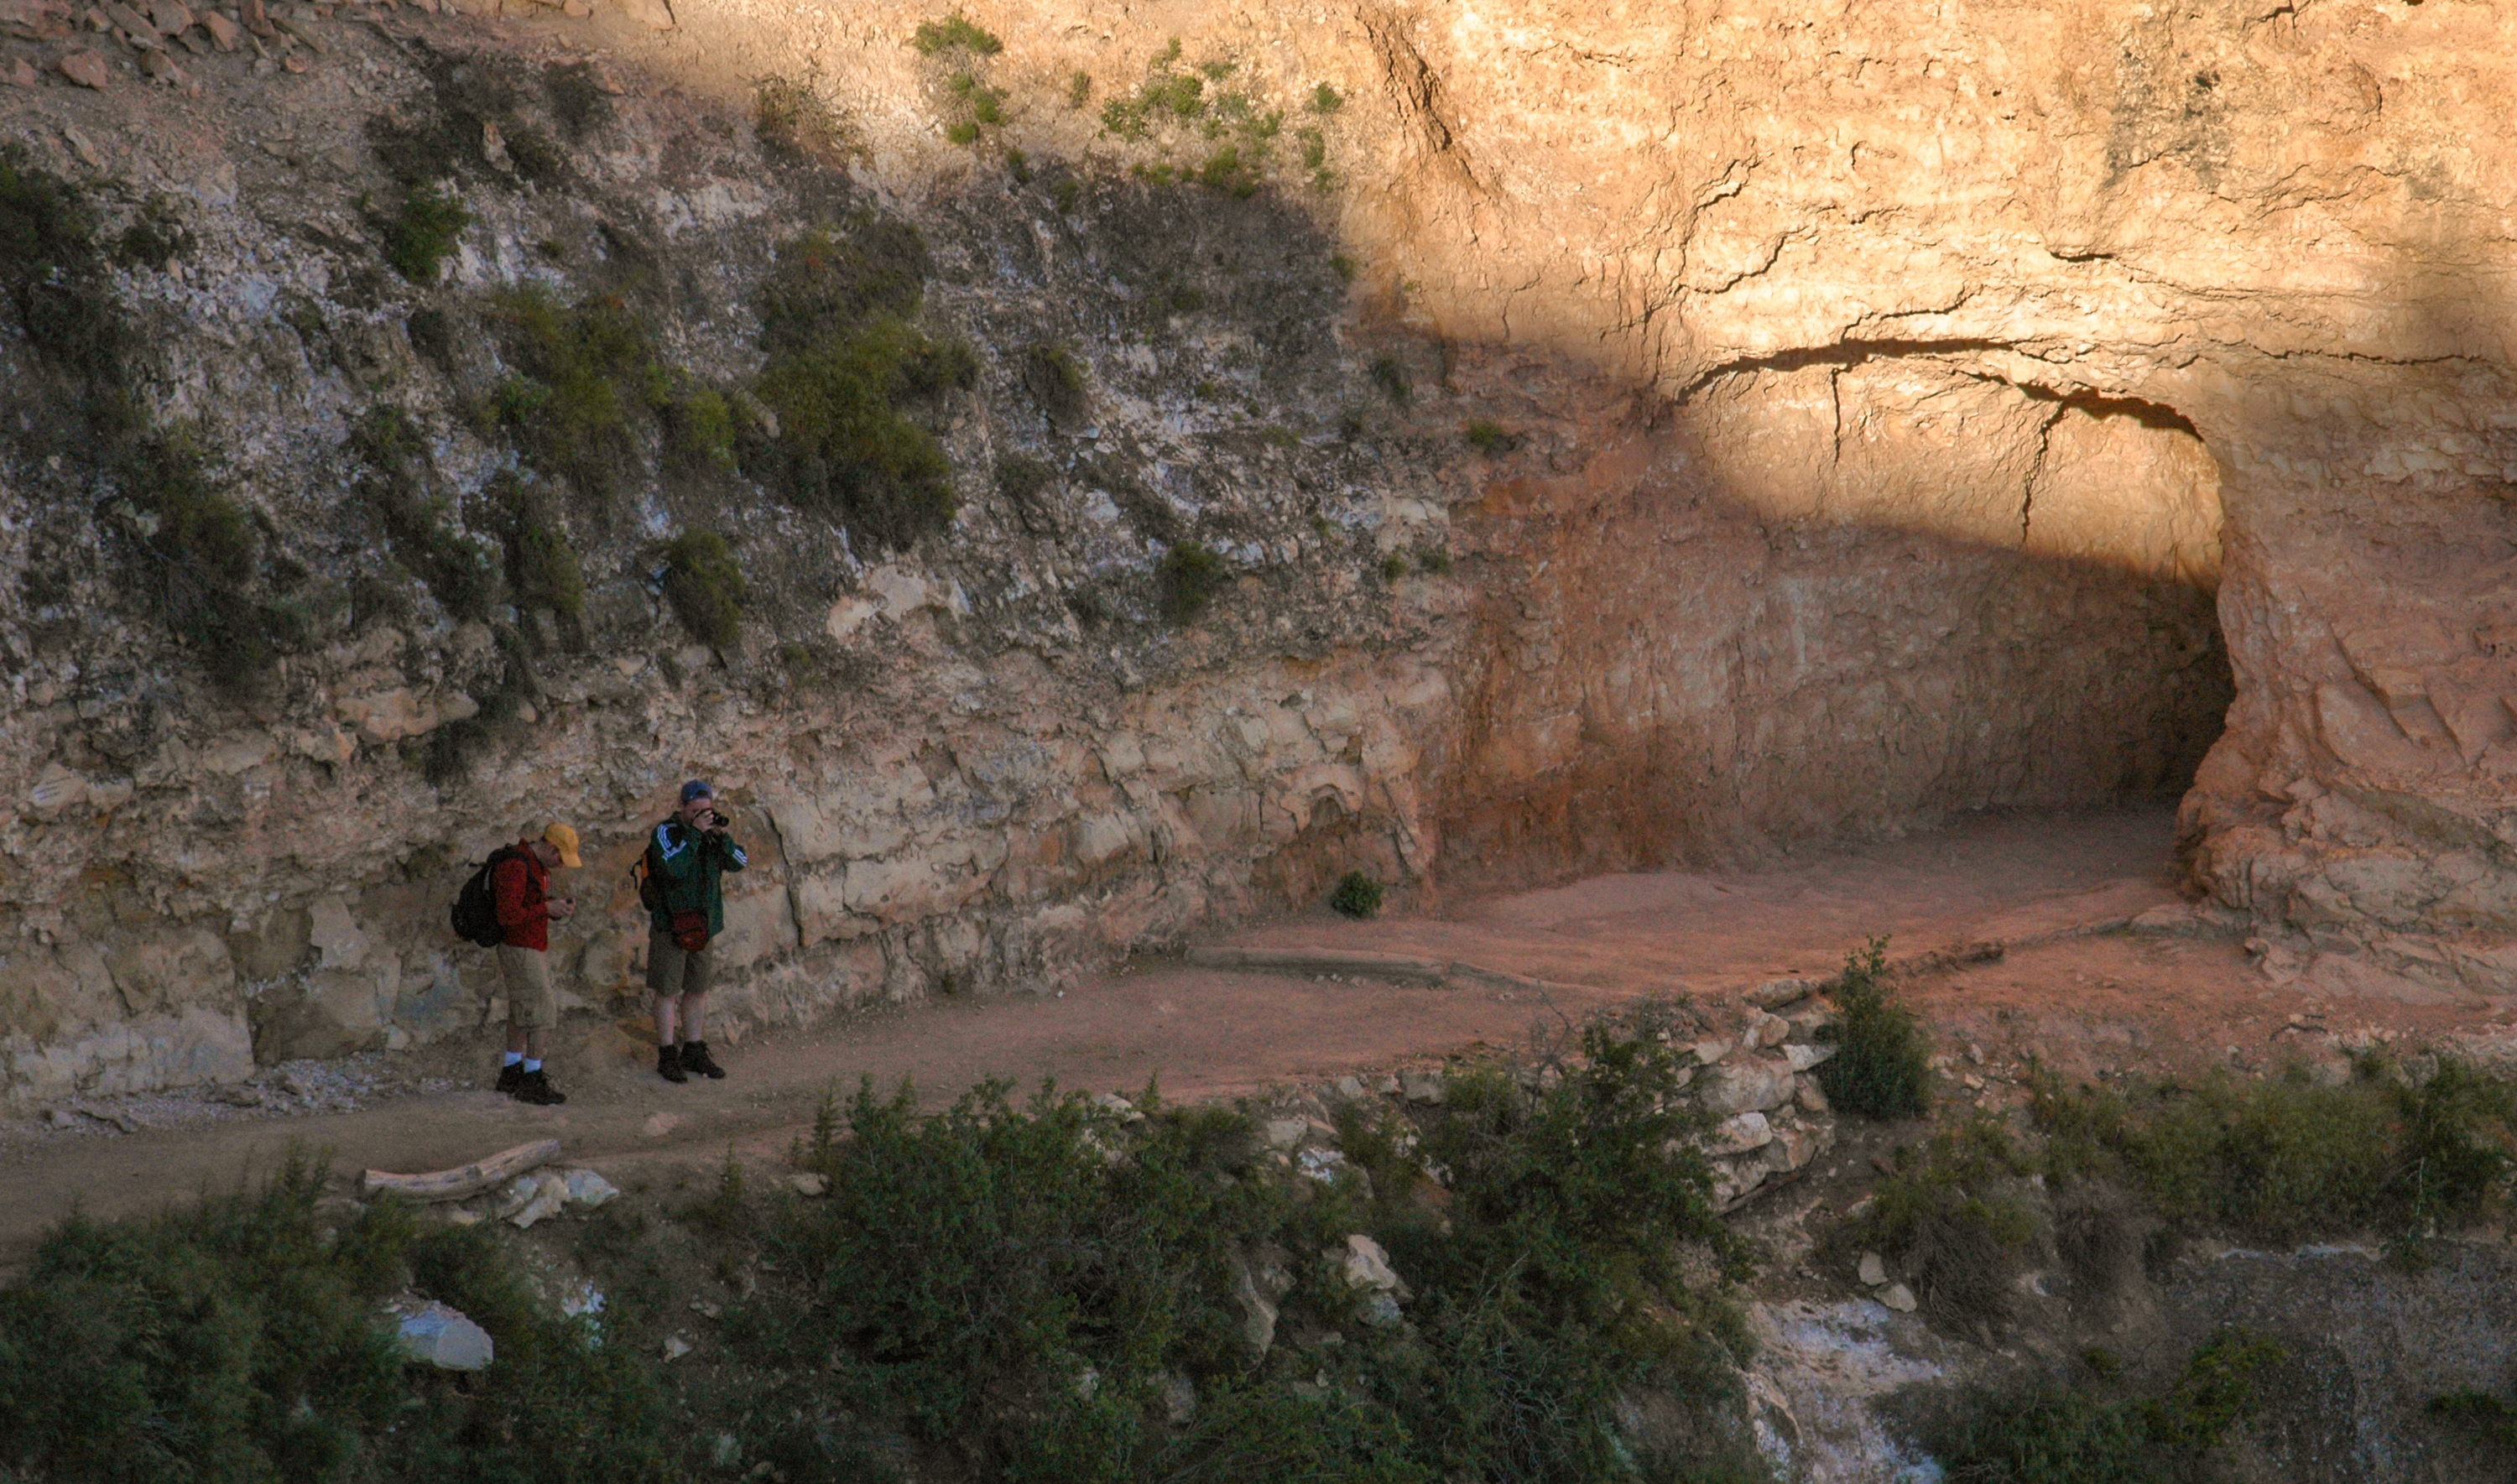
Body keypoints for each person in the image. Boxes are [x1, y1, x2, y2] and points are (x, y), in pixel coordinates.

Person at [647, 779, 746, 1083]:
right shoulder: (667, 832)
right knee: (667, 991)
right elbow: (670, 869)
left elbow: (740, 861)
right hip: (671, 925)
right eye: (695, 811)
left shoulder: (710, 835)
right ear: (682, 807)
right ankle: (667, 1053)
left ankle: (693, 1047)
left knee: (698, 990)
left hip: (703, 926)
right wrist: (693, 835)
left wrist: (721, 838)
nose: (702, 815)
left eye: (707, 810)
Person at [493, 820, 581, 1105]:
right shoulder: (518, 866)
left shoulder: (534, 865)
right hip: (521, 948)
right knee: (543, 1012)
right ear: (551, 847)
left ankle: (511, 1070)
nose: (561, 864)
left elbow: (527, 906)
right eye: (560, 857)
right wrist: (546, 907)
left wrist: (552, 908)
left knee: (521, 1008)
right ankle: (532, 1076)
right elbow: (508, 915)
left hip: (529, 945)